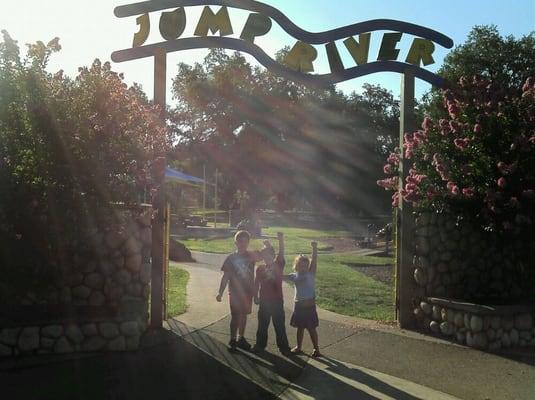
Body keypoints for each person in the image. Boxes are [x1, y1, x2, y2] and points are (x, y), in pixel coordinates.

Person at [216, 230, 256, 352]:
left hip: (247, 293)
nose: (243, 244)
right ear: (235, 242)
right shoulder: (231, 258)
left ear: (248, 242)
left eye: (245, 241)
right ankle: (233, 340)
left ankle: (241, 338)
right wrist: (220, 292)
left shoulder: (251, 256)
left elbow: (266, 254)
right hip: (234, 293)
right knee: (235, 316)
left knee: (244, 315)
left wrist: (268, 246)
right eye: (240, 241)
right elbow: (225, 277)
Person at [252, 232, 291, 355]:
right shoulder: (260, 269)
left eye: (269, 254)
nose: (267, 257)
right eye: (264, 255)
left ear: (273, 255)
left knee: (279, 325)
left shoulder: (278, 264)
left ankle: (284, 347)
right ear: (262, 257)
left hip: (277, 302)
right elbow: (256, 283)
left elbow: (282, 252)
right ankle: (260, 345)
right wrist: (255, 296)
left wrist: (281, 239)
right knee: (262, 325)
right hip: (264, 302)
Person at [285, 241, 321, 357]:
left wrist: (314, 248)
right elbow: (281, 276)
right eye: (301, 265)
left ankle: (316, 349)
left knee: (311, 329)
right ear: (296, 266)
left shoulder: (311, 274)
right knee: (300, 328)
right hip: (299, 306)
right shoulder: (294, 276)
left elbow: (314, 260)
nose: (303, 267)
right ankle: (299, 347)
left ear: (308, 266)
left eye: (306, 265)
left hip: (309, 307)